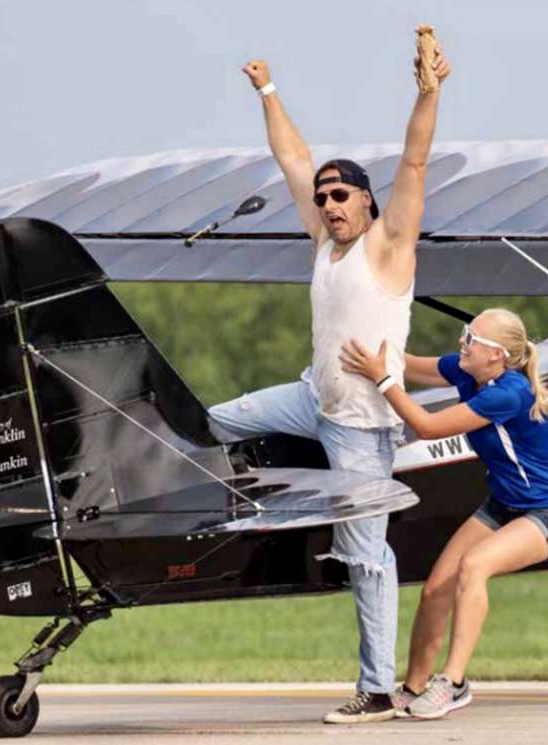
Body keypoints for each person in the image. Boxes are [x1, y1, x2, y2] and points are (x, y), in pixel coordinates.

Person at [207, 42, 452, 724]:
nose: (327, 202)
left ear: (367, 202)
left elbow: (414, 161)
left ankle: (376, 690)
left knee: (368, 559)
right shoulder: (324, 242)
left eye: (339, 194)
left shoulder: (389, 244)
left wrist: (429, 94)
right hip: (311, 395)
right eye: (322, 197)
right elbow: (292, 158)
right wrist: (267, 90)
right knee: (207, 422)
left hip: (363, 427)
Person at [339, 308, 548, 719]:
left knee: (474, 567)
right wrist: (372, 342)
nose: (461, 343)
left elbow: (427, 426)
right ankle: (413, 688)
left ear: (497, 356)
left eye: (472, 338)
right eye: (466, 333)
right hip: (504, 504)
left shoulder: (508, 393)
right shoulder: (469, 371)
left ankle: (453, 683)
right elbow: (410, 365)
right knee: (436, 589)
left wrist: (381, 378)